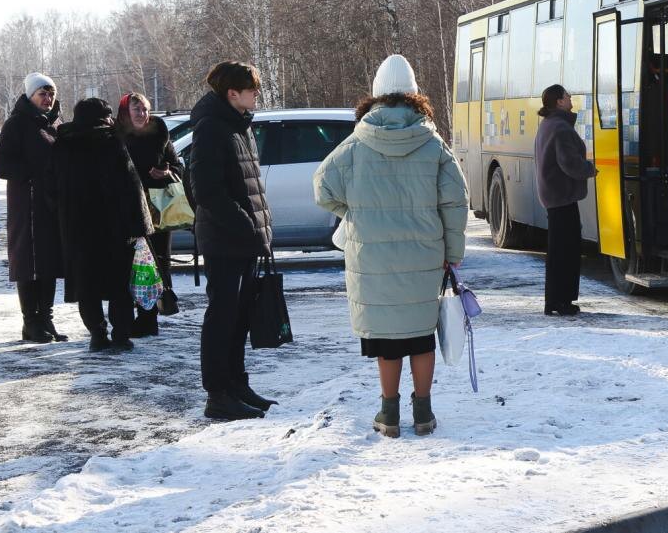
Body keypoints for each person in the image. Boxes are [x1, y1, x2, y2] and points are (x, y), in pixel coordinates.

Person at [313, 54, 468, 438]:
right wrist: (453, 252)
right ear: (415, 94)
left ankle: (388, 413)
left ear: (375, 95)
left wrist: (354, 211)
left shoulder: (355, 145)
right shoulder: (432, 144)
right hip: (423, 255)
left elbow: (323, 189)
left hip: (373, 257)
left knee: (388, 340)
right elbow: (456, 201)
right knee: (420, 336)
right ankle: (424, 412)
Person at [189, 61, 276, 421]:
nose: (257, 93)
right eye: (252, 88)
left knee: (239, 316)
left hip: (244, 240)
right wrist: (244, 225)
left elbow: (248, 186)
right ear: (232, 93)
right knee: (222, 316)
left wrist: (259, 228)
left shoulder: (240, 125)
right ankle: (218, 394)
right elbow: (207, 191)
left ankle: (236, 383)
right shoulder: (211, 128)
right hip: (225, 240)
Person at [50, 98, 154, 352]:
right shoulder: (111, 140)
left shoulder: (63, 143)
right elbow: (132, 186)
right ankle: (120, 334)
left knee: (87, 286)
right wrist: (142, 225)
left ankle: (97, 334)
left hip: (77, 228)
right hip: (114, 228)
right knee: (120, 284)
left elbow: (51, 186)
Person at [0, 73, 66, 343]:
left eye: (51, 94)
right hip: (28, 204)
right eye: (42, 94)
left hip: (52, 203)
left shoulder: (57, 123)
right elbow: (0, 163)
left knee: (49, 261)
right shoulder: (17, 124)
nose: (47, 99)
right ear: (30, 96)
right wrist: (32, 174)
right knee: (29, 262)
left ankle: (46, 319)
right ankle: (30, 322)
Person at [116, 92, 184, 337]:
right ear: (126, 112)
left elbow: (177, 166)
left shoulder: (159, 133)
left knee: (158, 262)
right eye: (137, 110)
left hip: (157, 210)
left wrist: (166, 172)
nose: (142, 115)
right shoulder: (117, 137)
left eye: (145, 109)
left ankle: (150, 317)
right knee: (132, 264)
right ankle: (134, 316)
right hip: (128, 209)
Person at [533, 84, 597, 317]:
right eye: (567, 95)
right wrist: (590, 169)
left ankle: (555, 301)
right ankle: (562, 302)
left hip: (553, 196)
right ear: (559, 102)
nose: (571, 98)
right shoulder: (560, 128)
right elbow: (569, 163)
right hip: (562, 197)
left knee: (558, 251)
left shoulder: (548, 125)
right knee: (567, 252)